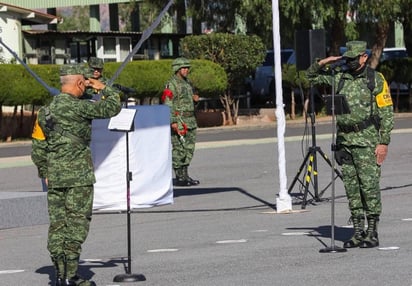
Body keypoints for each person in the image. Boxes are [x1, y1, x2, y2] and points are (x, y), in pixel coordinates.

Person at [31, 63, 122, 286]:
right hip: (79, 177)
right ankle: (71, 276)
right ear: (80, 83)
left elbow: (38, 146)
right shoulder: (81, 108)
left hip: (55, 176)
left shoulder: (45, 112)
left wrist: (44, 170)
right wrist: (103, 87)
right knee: (77, 225)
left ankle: (59, 274)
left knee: (58, 225)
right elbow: (113, 107)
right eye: (85, 83)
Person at [306, 41, 394, 248]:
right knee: (352, 188)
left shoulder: (376, 79)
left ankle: (372, 232)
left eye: (354, 59)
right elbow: (309, 77)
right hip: (345, 141)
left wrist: (383, 142)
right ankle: (357, 231)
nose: (350, 63)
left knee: (369, 187)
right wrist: (324, 62)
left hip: (367, 141)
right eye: (348, 59)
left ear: (364, 57)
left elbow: (387, 113)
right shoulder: (340, 78)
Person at [161, 57, 200, 186]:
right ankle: (179, 177)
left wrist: (195, 100)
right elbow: (168, 103)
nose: (186, 70)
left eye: (187, 68)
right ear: (177, 69)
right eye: (183, 68)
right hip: (179, 120)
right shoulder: (171, 84)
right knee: (179, 150)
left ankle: (185, 175)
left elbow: (188, 101)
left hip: (190, 120)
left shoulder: (187, 83)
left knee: (189, 149)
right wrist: (172, 121)